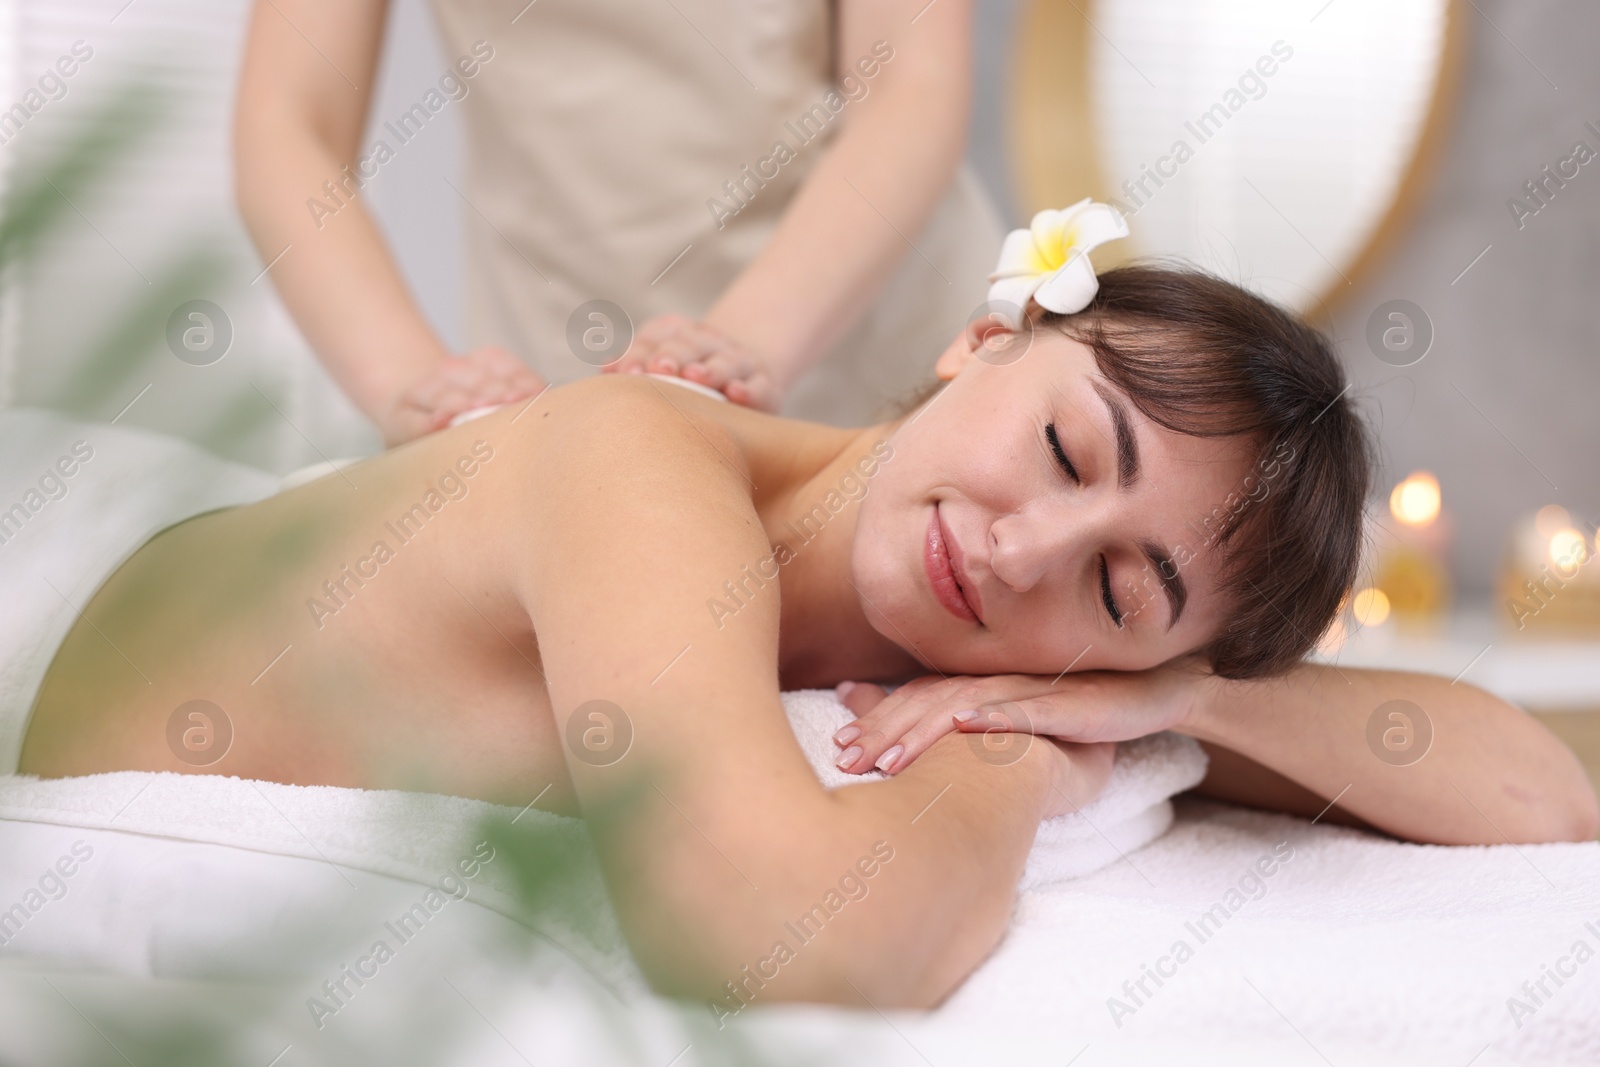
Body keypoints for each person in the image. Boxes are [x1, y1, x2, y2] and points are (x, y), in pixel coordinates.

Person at [19, 268, 1597, 1010]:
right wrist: (1013, 769)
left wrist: (1175, 689)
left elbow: (1545, 797)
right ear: (983, 342)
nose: (1023, 548)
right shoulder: (644, 463)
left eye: (1120, 591)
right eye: (1064, 448)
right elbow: (780, 933)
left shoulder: (1056, 659)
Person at [234, 0, 1002, 444]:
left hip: (877, 371)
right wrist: (414, 387)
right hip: (564, 394)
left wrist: (740, 349)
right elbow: (289, 124)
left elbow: (910, 80)